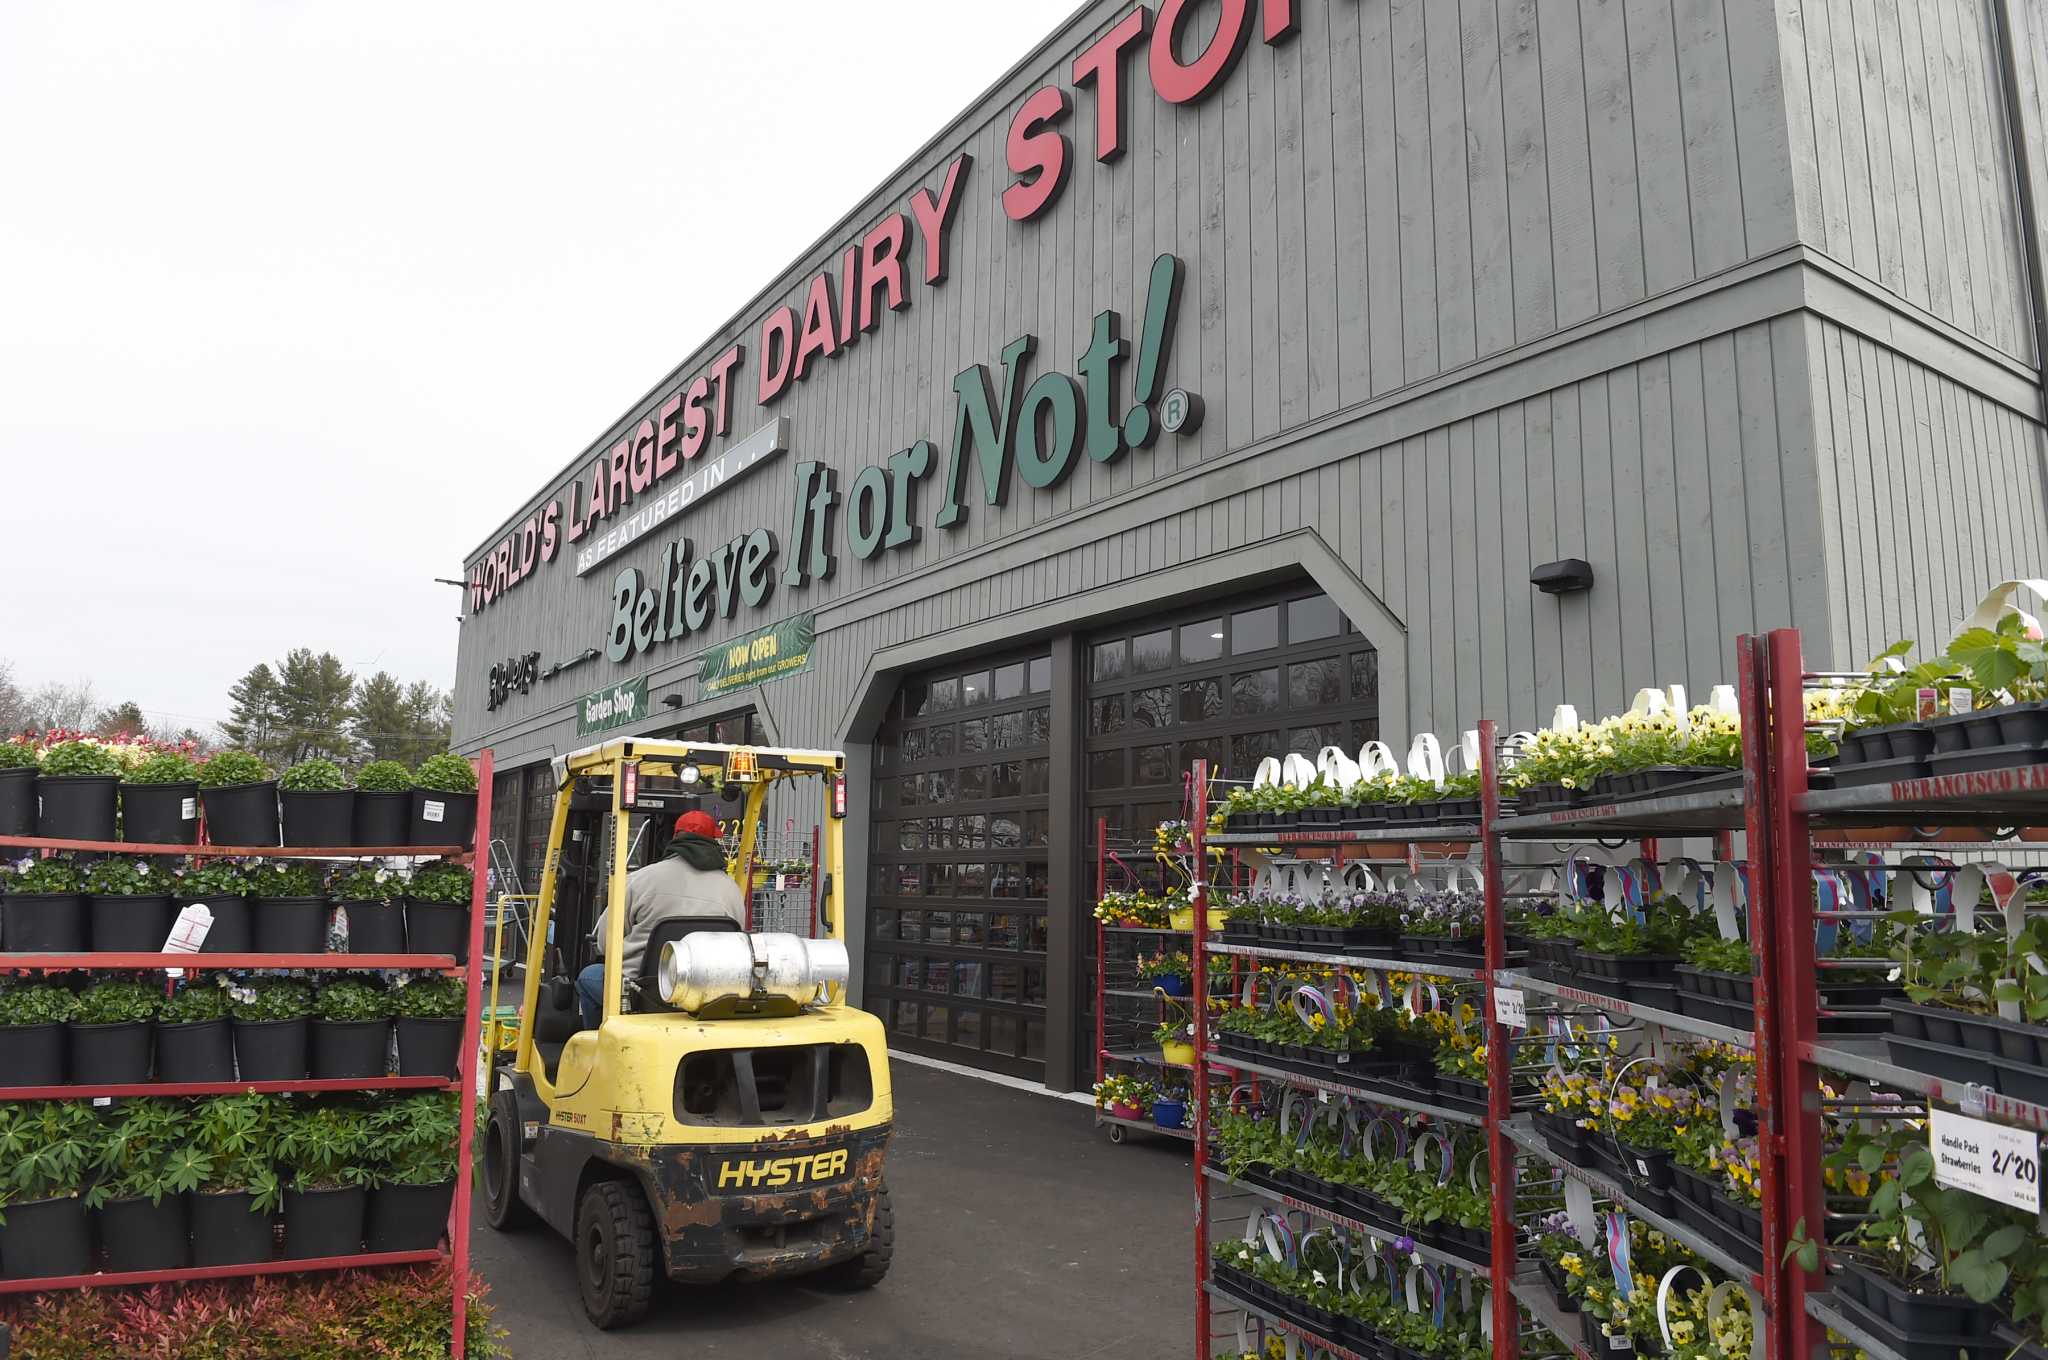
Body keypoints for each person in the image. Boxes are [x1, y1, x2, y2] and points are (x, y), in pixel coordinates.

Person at [576, 809, 745, 1026]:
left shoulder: (639, 880)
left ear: (675, 838)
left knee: (589, 976)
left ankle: (599, 1045)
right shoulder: (730, 889)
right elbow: (738, 940)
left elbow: (604, 943)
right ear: (713, 842)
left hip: (643, 992)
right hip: (707, 993)